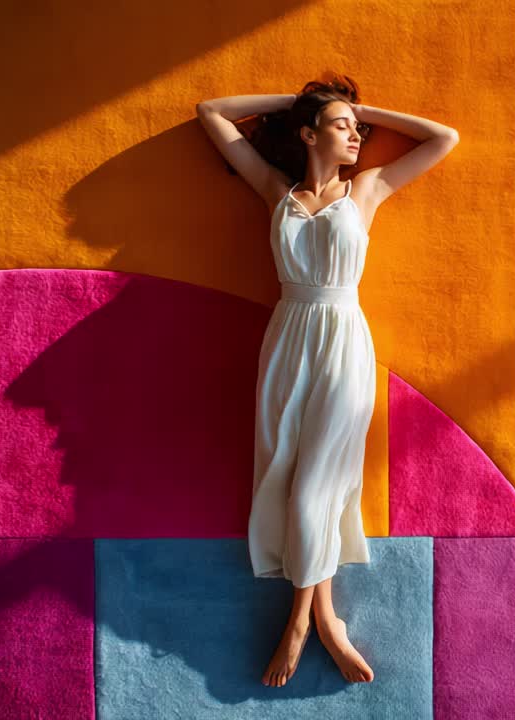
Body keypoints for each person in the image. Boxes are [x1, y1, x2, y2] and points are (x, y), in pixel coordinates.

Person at [196, 75, 458, 688]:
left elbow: (441, 138)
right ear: (308, 133)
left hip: (343, 337)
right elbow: (211, 113)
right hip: (287, 337)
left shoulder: (365, 190)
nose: (358, 135)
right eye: (343, 126)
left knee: (318, 482)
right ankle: (325, 611)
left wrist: (360, 109)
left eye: (358, 128)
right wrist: (299, 106)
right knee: (287, 474)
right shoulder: (274, 190)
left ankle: (308, 624)